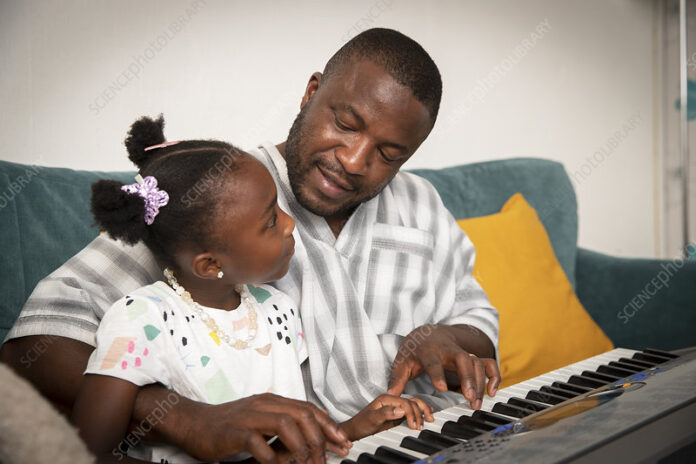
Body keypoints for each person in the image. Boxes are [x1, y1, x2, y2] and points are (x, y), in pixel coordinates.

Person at [1, 28, 501, 463]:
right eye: (345, 125)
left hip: (437, 439)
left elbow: (478, 323)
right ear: (311, 92)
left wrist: (443, 336)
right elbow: (33, 348)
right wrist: (187, 418)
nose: (354, 160)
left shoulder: (420, 203)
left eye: (389, 154)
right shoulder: (224, 192)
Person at [71, 116, 433, 463]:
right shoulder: (141, 320)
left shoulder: (277, 311)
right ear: (211, 265)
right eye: (271, 220)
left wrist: (355, 427)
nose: (291, 225)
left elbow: (277, 450)